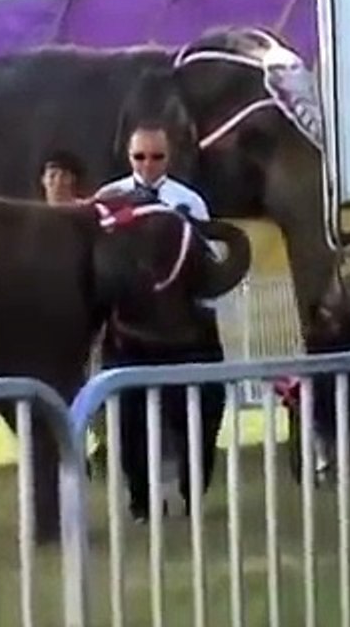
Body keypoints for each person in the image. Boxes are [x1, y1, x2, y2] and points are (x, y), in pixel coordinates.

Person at [93, 125, 226, 522]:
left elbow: (209, 261)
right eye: (140, 157)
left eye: (156, 157)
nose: (148, 165)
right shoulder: (109, 199)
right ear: (128, 157)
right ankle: (142, 502)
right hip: (129, 334)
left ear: (169, 158)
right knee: (129, 422)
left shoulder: (189, 201)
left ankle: (192, 493)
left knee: (198, 416)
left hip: (186, 333)